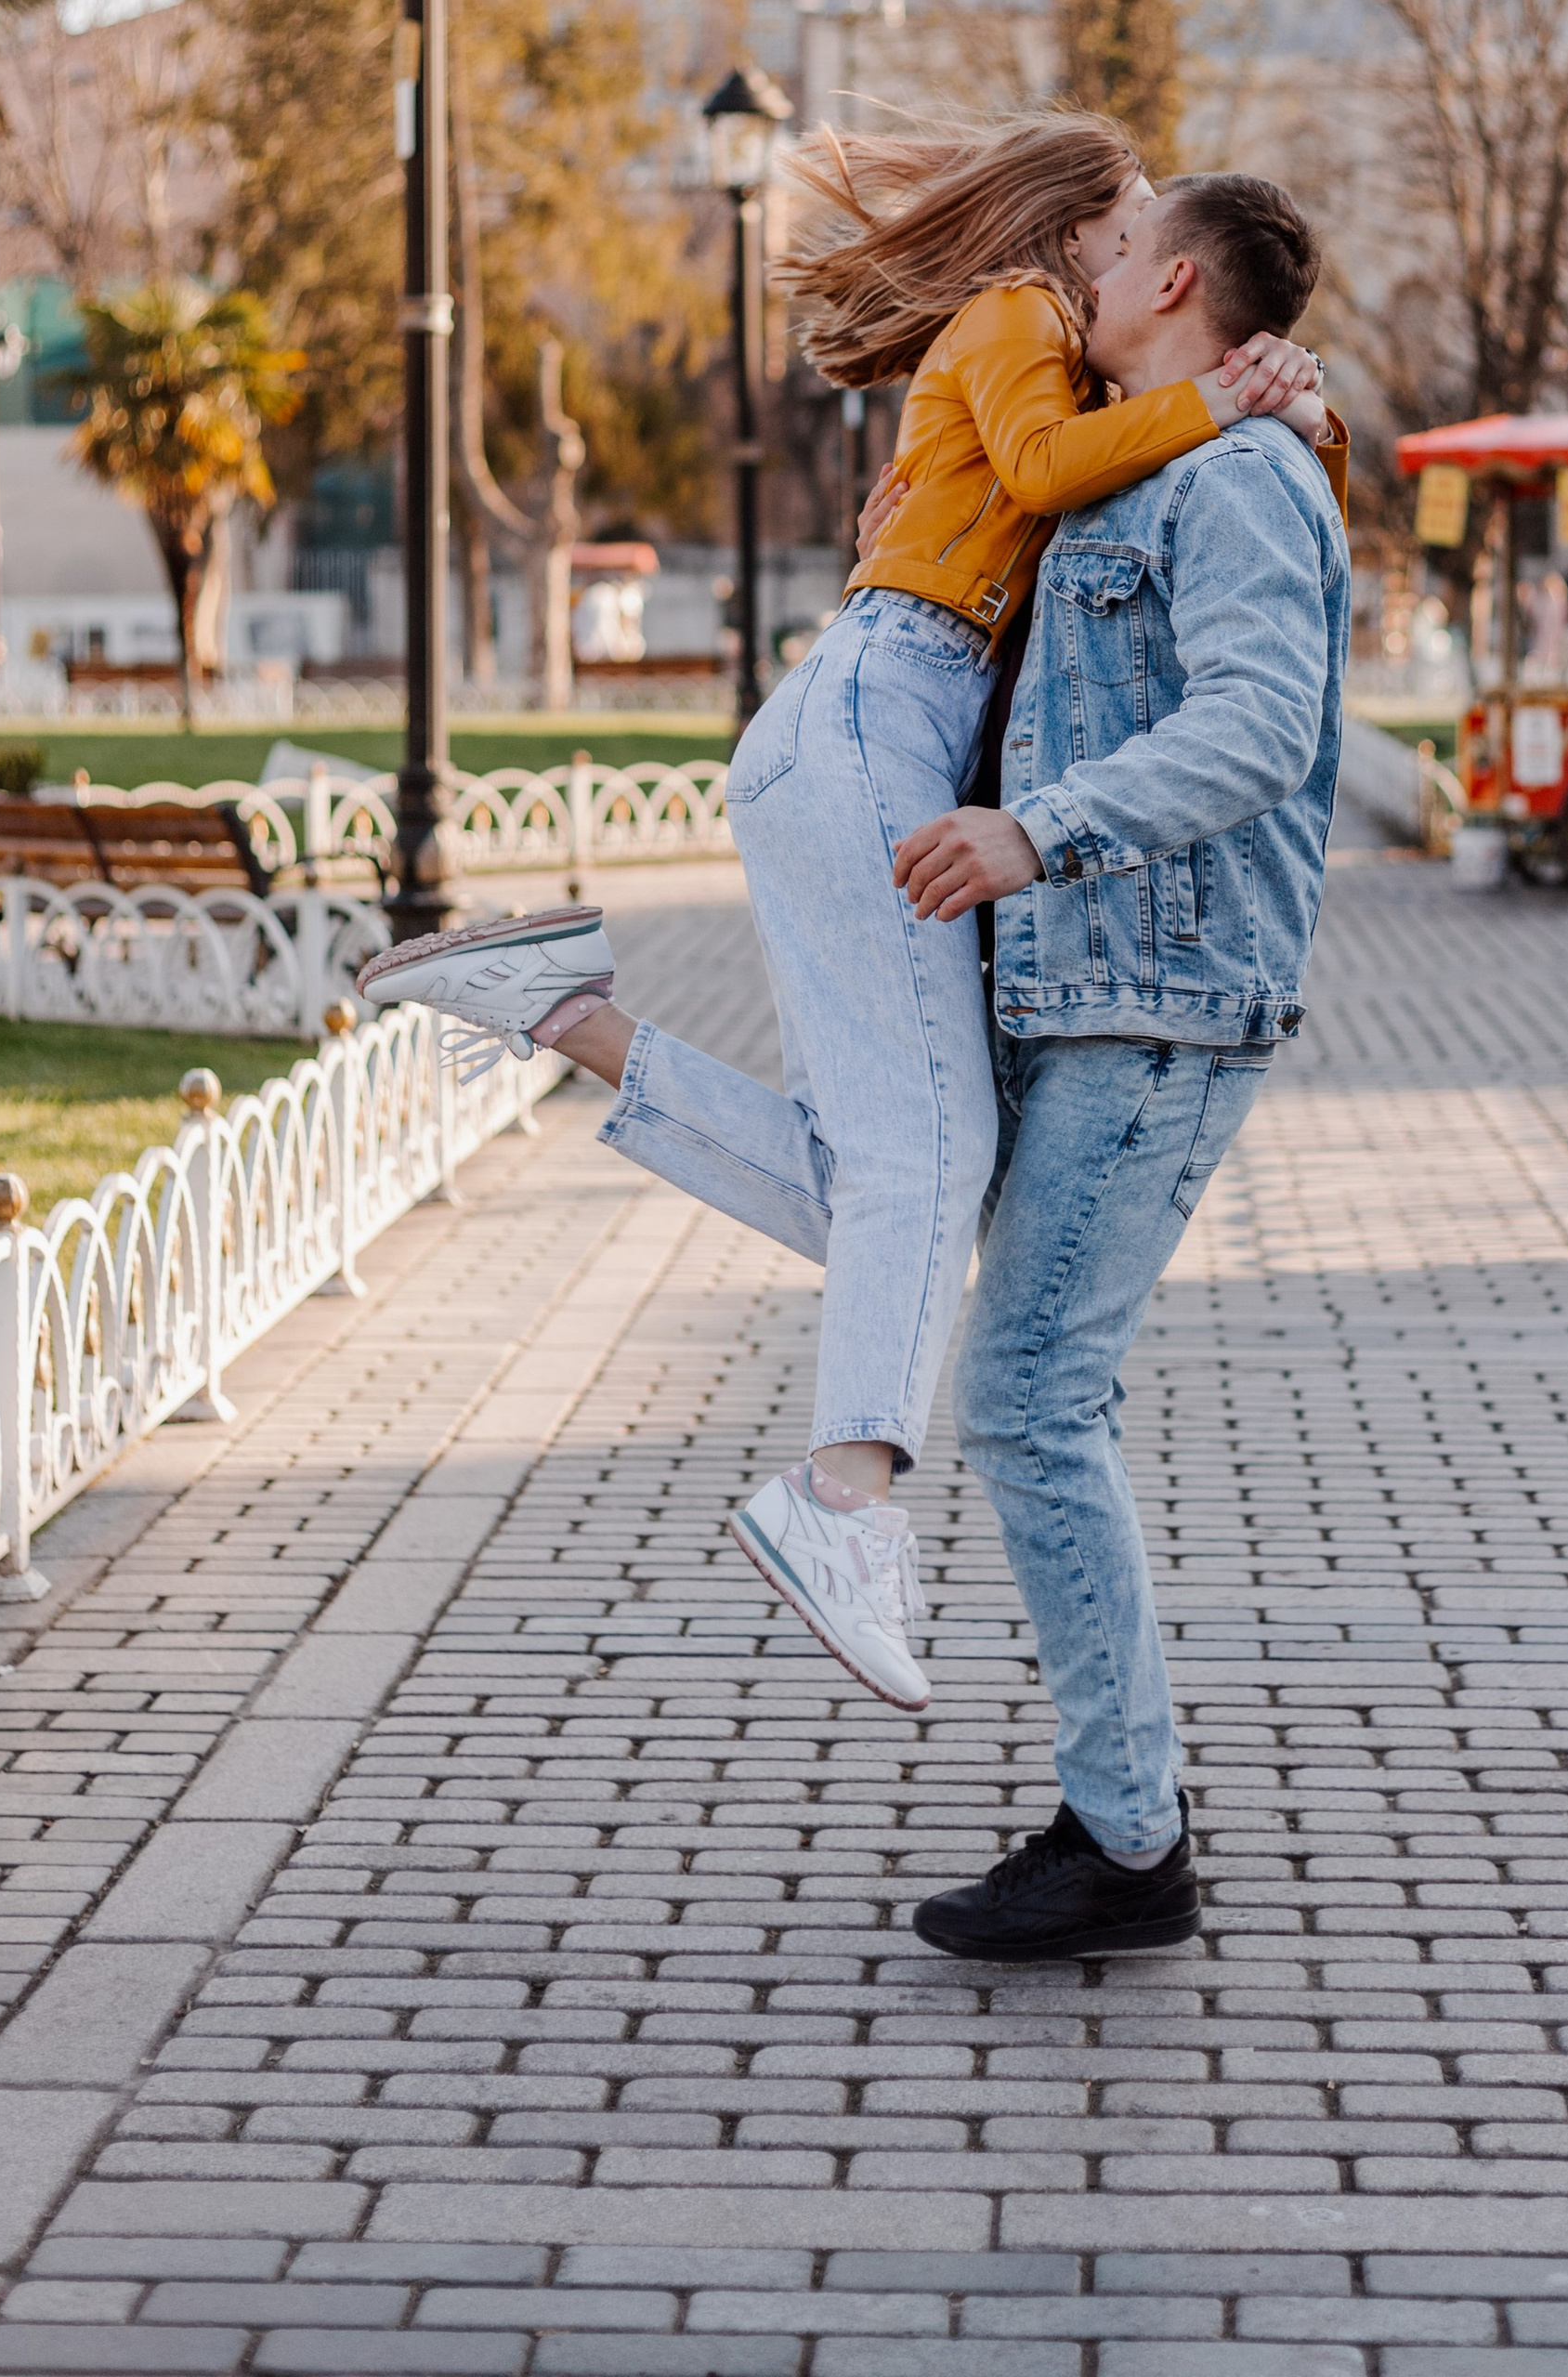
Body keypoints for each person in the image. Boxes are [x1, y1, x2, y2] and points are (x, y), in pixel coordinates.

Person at [354, 115, 1329, 1717]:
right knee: (926, 1166)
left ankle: (554, 1009)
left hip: (876, 732)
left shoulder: (1099, 388)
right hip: (872, 729)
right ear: (1082, 231)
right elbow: (1041, 472)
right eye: (1130, 206)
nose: (1137, 231)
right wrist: (1228, 389)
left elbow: (1117, 498)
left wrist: (1284, 397)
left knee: (897, 1185)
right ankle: (845, 1497)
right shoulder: (1019, 322)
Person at [883, 170, 1349, 1958]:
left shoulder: (1234, 482)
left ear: (1168, 279)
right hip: (1075, 989)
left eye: (1105, 234)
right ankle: (1126, 1817)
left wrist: (1037, 831)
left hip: (1157, 1001)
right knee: (929, 1274)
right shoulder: (1156, 459)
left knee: (1026, 1397)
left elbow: (1255, 726)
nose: (1073, 254)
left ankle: (1130, 1843)